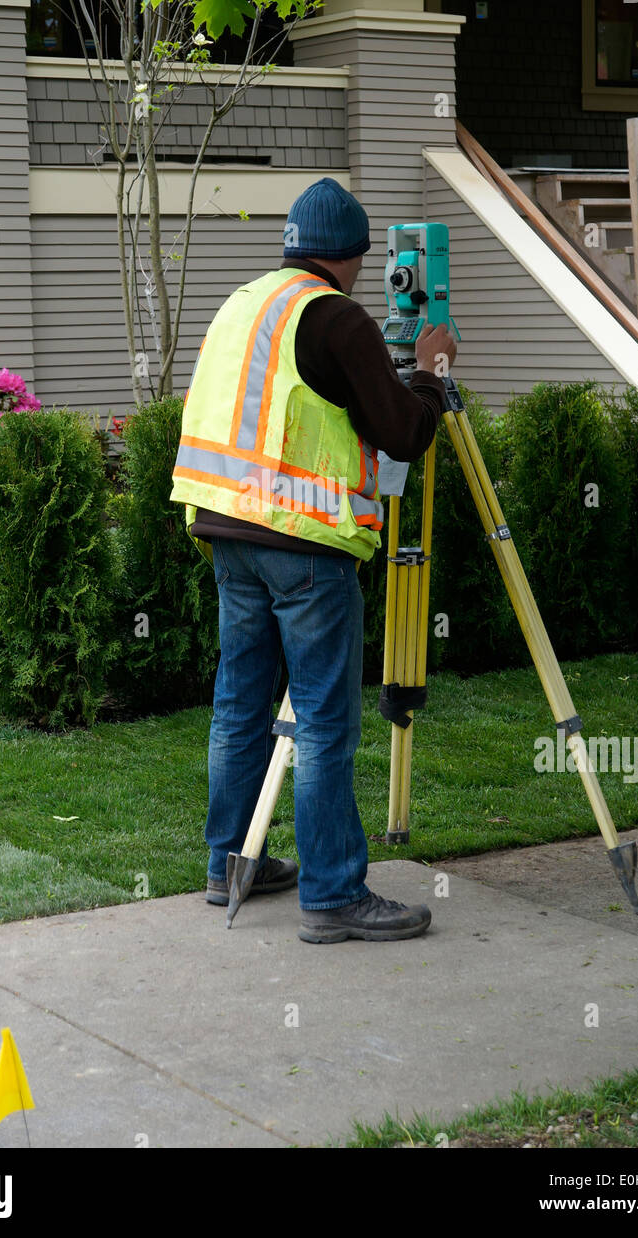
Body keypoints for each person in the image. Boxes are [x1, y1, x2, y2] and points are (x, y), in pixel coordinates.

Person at [170, 177, 457, 942]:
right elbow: (401, 433)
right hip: (304, 542)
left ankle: (230, 863)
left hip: (227, 527)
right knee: (325, 722)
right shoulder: (337, 318)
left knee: (239, 703)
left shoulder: (245, 302)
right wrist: (429, 373)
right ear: (355, 257)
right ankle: (332, 896)